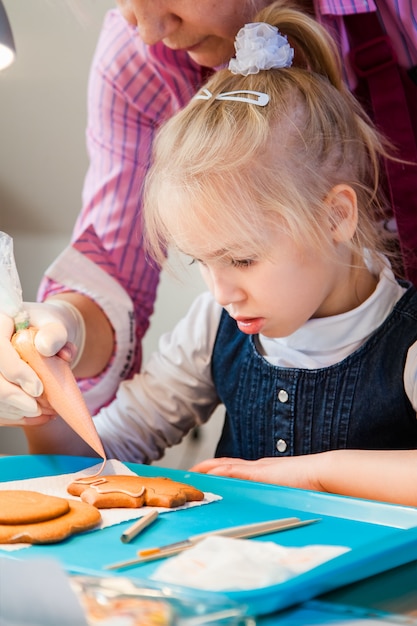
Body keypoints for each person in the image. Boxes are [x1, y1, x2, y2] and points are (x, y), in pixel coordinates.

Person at [21, 3, 417, 507]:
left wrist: (320, 475)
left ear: (336, 216)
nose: (221, 291)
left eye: (243, 259)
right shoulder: (215, 323)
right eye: (202, 261)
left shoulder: (408, 344)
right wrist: (47, 406)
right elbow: (99, 455)